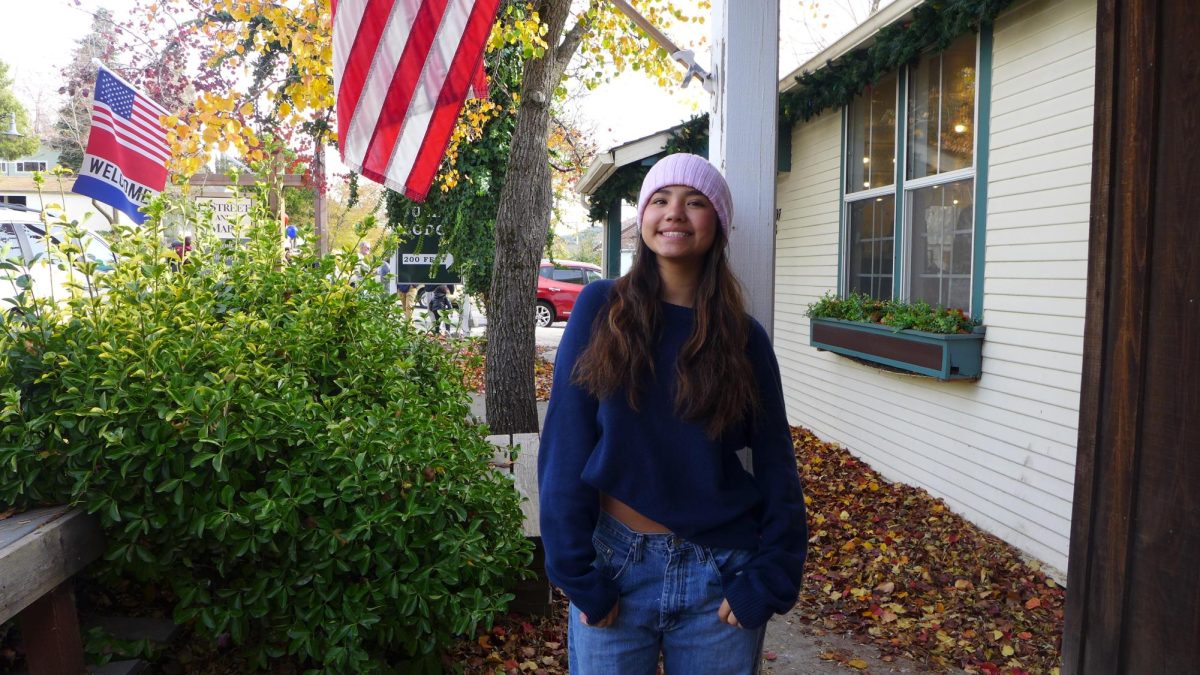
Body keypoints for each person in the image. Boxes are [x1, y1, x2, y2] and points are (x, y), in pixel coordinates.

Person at [538, 153, 807, 674]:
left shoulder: (743, 339)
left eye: (695, 201)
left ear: (720, 224)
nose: (675, 213)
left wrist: (770, 577)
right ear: (642, 219)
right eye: (660, 200)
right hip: (615, 568)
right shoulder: (600, 310)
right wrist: (576, 573)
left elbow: (777, 465)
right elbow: (565, 447)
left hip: (720, 574)